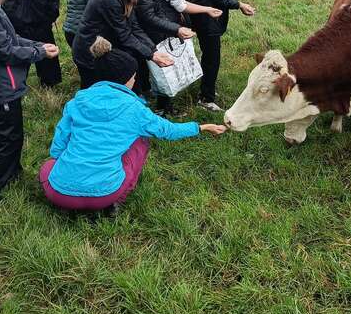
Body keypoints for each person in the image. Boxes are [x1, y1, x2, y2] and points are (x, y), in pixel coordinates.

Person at [39, 37, 225, 212]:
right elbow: (168, 130)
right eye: (133, 76)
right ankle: (115, 202)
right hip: (105, 195)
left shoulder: (76, 102)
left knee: (48, 167)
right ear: (125, 78)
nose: (135, 80)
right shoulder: (135, 109)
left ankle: (70, 189)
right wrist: (201, 127)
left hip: (58, 193)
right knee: (141, 142)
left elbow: (57, 148)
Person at [0, 0, 59, 192]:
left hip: (7, 86)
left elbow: (11, 38)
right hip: (4, 89)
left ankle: (13, 172)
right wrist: (39, 52)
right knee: (8, 137)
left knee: (12, 134)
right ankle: (3, 182)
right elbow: (6, 51)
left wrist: (38, 45)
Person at [136, 0, 222, 113]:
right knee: (144, 68)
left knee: (155, 65)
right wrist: (176, 29)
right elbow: (148, 17)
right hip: (138, 31)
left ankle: (162, 107)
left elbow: (157, 11)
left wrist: (174, 28)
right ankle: (153, 110)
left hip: (146, 29)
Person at [72, 0, 172, 90]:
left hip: (103, 46)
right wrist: (151, 55)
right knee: (93, 89)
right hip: (89, 50)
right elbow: (125, 35)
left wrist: (153, 49)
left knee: (111, 84)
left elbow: (134, 27)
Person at [192, 0, 255, 111]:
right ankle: (206, 99)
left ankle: (207, 88)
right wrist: (240, 5)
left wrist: (238, 2)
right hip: (207, 20)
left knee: (210, 57)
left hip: (209, 17)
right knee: (212, 59)